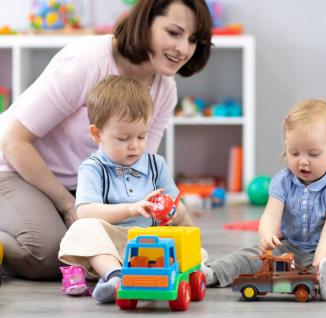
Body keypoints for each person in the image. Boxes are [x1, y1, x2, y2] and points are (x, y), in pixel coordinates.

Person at [0, 0, 212, 280]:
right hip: (17, 170)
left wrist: (168, 220)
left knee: (94, 250)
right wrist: (67, 207)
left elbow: (135, 169)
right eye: (174, 33)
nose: (183, 49)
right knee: (50, 255)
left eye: (193, 40)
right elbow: (14, 142)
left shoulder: (164, 91)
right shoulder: (89, 61)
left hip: (84, 185)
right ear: (145, 22)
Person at [203, 99, 326, 301]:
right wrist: (267, 235)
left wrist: (322, 256)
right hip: (292, 247)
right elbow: (271, 214)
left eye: (313, 154)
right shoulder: (284, 180)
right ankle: (212, 273)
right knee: (251, 255)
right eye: (294, 153)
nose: (303, 161)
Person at [58, 75, 196, 303]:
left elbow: (176, 206)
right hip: (111, 244)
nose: (134, 145)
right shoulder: (93, 168)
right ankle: (115, 276)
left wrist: (173, 212)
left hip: (152, 244)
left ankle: (194, 268)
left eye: (142, 136)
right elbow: (85, 212)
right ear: (97, 134)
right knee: (82, 228)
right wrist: (130, 209)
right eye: (123, 138)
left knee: (191, 245)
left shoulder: (155, 164)